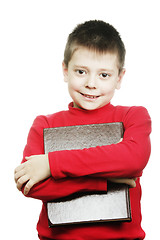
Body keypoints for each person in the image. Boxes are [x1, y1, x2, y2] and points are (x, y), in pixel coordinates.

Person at [14, 20, 151, 240]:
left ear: (119, 78)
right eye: (81, 71)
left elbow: (133, 159)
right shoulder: (44, 124)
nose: (91, 83)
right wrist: (103, 182)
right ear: (65, 71)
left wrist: (52, 164)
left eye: (103, 75)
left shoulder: (132, 116)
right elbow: (30, 185)